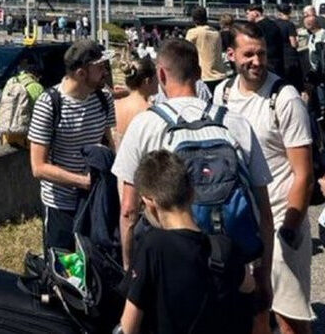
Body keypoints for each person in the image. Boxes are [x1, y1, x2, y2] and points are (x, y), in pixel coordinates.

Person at [112, 38, 275, 329]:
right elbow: (264, 209)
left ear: (161, 74)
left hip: (172, 272)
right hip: (232, 267)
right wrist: (263, 274)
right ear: (199, 74)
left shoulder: (145, 125)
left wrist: (130, 268)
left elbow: (128, 210)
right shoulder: (234, 123)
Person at [214, 21, 316, 333]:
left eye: (261, 54)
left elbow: (304, 173)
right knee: (252, 311)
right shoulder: (222, 94)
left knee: (289, 318)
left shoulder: (284, 98)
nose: (257, 61)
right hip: (241, 222)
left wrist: (289, 230)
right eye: (248, 54)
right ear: (231, 55)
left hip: (282, 219)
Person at [119, 150, 255, 334]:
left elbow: (129, 326)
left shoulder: (153, 246)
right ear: (191, 193)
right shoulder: (224, 247)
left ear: (149, 201)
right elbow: (249, 289)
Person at [28, 39, 116, 254]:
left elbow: (112, 143)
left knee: (96, 262)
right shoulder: (49, 104)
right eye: (100, 67)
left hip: (95, 202)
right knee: (64, 264)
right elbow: (38, 167)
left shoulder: (104, 98)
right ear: (81, 73)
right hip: (61, 205)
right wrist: (83, 182)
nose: (105, 72)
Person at [0, 60, 45, 148]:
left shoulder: (12, 81)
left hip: (6, 128)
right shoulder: (37, 87)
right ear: (37, 75)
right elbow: (41, 111)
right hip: (24, 132)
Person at [114, 57, 158, 147]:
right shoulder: (149, 112)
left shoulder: (115, 105)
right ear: (147, 81)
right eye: (156, 78)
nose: (158, 82)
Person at [186, 6, 226, 93]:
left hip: (204, 76)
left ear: (193, 19)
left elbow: (184, 51)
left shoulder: (193, 32)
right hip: (220, 75)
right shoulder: (216, 32)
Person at [246, 4, 286, 78]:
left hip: (266, 62)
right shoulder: (273, 24)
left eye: (248, 13)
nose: (247, 16)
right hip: (277, 61)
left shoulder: (257, 27)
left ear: (255, 13)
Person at [275, 4, 305, 92]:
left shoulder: (274, 24)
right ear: (290, 12)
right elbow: (293, 43)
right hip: (290, 56)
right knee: (295, 82)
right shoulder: (289, 25)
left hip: (279, 55)